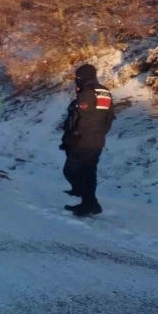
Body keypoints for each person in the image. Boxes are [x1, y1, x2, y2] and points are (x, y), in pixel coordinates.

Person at [59, 64, 115, 217]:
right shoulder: (104, 92)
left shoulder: (87, 92)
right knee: (89, 172)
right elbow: (109, 116)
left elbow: (84, 119)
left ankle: (88, 200)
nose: (76, 80)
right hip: (97, 140)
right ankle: (90, 205)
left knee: (71, 171)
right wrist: (101, 133)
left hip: (83, 141)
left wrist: (75, 135)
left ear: (83, 77)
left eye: (77, 77)